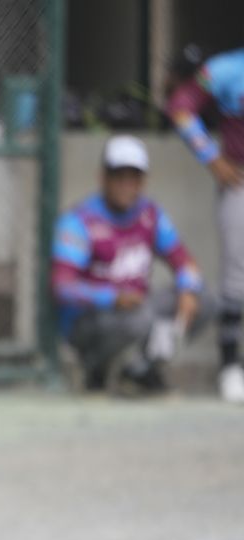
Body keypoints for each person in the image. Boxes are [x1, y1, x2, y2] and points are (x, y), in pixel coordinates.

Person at [53, 135, 210, 395]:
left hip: (138, 306)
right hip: (91, 320)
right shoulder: (80, 221)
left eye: (134, 177)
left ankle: (141, 371)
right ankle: (95, 367)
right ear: (103, 177)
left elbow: (184, 260)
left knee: (204, 300)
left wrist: (188, 289)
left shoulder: (150, 214)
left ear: (143, 181)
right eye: (119, 176)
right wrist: (112, 298)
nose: (127, 185)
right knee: (139, 318)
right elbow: (62, 287)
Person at [165, 44, 244, 401]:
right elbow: (180, 108)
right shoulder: (226, 68)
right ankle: (230, 367)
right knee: (237, 278)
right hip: (240, 182)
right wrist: (211, 157)